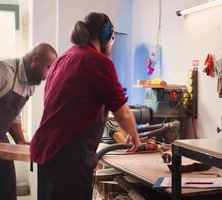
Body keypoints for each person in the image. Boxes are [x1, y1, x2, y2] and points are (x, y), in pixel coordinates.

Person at [30, 12, 140, 200]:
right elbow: (122, 113)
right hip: (68, 158)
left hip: (48, 153)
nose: (112, 45)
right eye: (112, 38)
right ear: (106, 35)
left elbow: (69, 106)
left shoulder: (63, 59)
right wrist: (135, 136)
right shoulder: (98, 61)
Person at [0, 43, 57, 200]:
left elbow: (14, 113)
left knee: (7, 190)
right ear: (35, 60)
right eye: (48, 67)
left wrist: (20, 141)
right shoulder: (2, 72)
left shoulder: (31, 84)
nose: (48, 75)